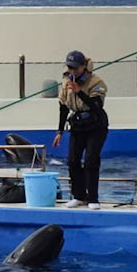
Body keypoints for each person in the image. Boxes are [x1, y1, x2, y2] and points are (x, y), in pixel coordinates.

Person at [52, 50, 108, 210]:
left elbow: (97, 106)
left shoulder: (96, 82)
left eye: (75, 68)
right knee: (72, 160)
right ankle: (79, 196)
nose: (72, 71)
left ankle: (93, 198)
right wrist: (59, 131)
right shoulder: (66, 82)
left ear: (84, 66)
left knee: (91, 161)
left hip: (96, 125)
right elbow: (63, 107)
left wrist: (79, 92)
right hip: (78, 125)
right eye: (69, 67)